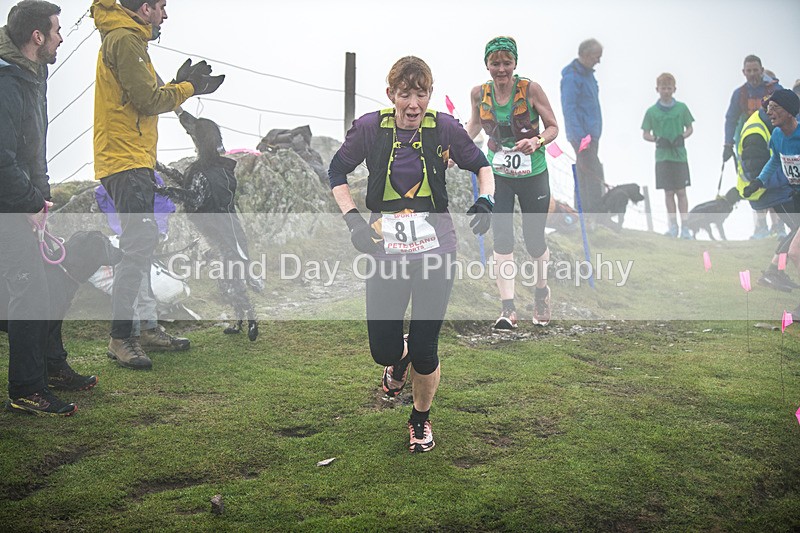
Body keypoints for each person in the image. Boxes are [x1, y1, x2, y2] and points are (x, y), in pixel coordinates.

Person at [328, 56, 493, 453]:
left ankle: (420, 417)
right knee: (382, 348)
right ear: (391, 95)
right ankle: (396, 359)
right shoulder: (369, 128)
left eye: (421, 94)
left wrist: (486, 200)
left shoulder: (445, 128)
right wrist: (353, 222)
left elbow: (481, 166)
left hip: (437, 250)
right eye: (406, 94)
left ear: (429, 95)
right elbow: (336, 172)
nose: (414, 103)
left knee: (426, 346)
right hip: (386, 249)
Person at [91, 0, 224, 369]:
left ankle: (146, 327)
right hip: (125, 160)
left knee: (143, 244)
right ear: (145, 7)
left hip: (132, 158)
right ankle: (121, 338)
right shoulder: (125, 39)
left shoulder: (127, 38)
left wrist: (177, 85)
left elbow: (136, 97)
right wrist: (188, 88)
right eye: (161, 7)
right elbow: (148, 101)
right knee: (136, 248)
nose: (165, 14)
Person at [0, 0, 78, 415]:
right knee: (29, 291)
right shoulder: (7, 83)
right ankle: (26, 389)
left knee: (50, 280)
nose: (61, 37)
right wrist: (30, 201)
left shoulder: (34, 75)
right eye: (56, 30)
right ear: (37, 37)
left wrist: (42, 198)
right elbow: (2, 158)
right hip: (7, 207)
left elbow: (36, 147)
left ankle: (51, 366)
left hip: (25, 202)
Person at [466, 36, 559, 329]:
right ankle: (508, 309)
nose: (501, 69)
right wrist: (454, 151)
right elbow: (474, 126)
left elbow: (553, 127)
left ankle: (541, 293)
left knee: (534, 241)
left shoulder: (531, 89)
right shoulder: (479, 93)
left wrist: (537, 140)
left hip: (534, 174)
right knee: (502, 237)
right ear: (487, 65)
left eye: (506, 63)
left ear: (515, 63)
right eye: (495, 63)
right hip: (499, 174)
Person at [742, 90, 800, 316]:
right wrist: (759, 181)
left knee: (795, 251)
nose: (770, 112)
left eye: (775, 107)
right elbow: (775, 160)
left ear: (789, 111)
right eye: (768, 108)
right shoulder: (777, 136)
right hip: (796, 198)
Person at [723, 55, 781, 240]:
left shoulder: (774, 90)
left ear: (762, 70)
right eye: (749, 70)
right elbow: (730, 119)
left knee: (774, 182)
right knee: (752, 183)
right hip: (747, 146)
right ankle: (760, 227)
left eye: (755, 70)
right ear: (743, 72)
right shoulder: (739, 94)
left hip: (771, 142)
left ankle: (778, 226)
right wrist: (727, 143)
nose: (752, 74)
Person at [641, 73, 695, 239]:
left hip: (679, 156)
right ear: (657, 89)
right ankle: (673, 226)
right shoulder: (651, 111)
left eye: (669, 88)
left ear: (674, 89)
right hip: (662, 157)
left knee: (681, 191)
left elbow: (689, 128)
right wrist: (657, 139)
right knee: (669, 192)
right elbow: (645, 133)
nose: (666, 91)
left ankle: (685, 226)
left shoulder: (682, 108)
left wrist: (682, 136)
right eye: (663, 88)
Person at [561, 38, 604, 218]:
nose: (598, 61)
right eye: (596, 56)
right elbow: (569, 108)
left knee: (590, 171)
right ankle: (589, 215)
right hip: (581, 136)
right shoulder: (572, 77)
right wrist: (578, 137)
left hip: (592, 134)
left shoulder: (589, 75)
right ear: (586, 54)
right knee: (589, 172)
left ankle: (590, 214)